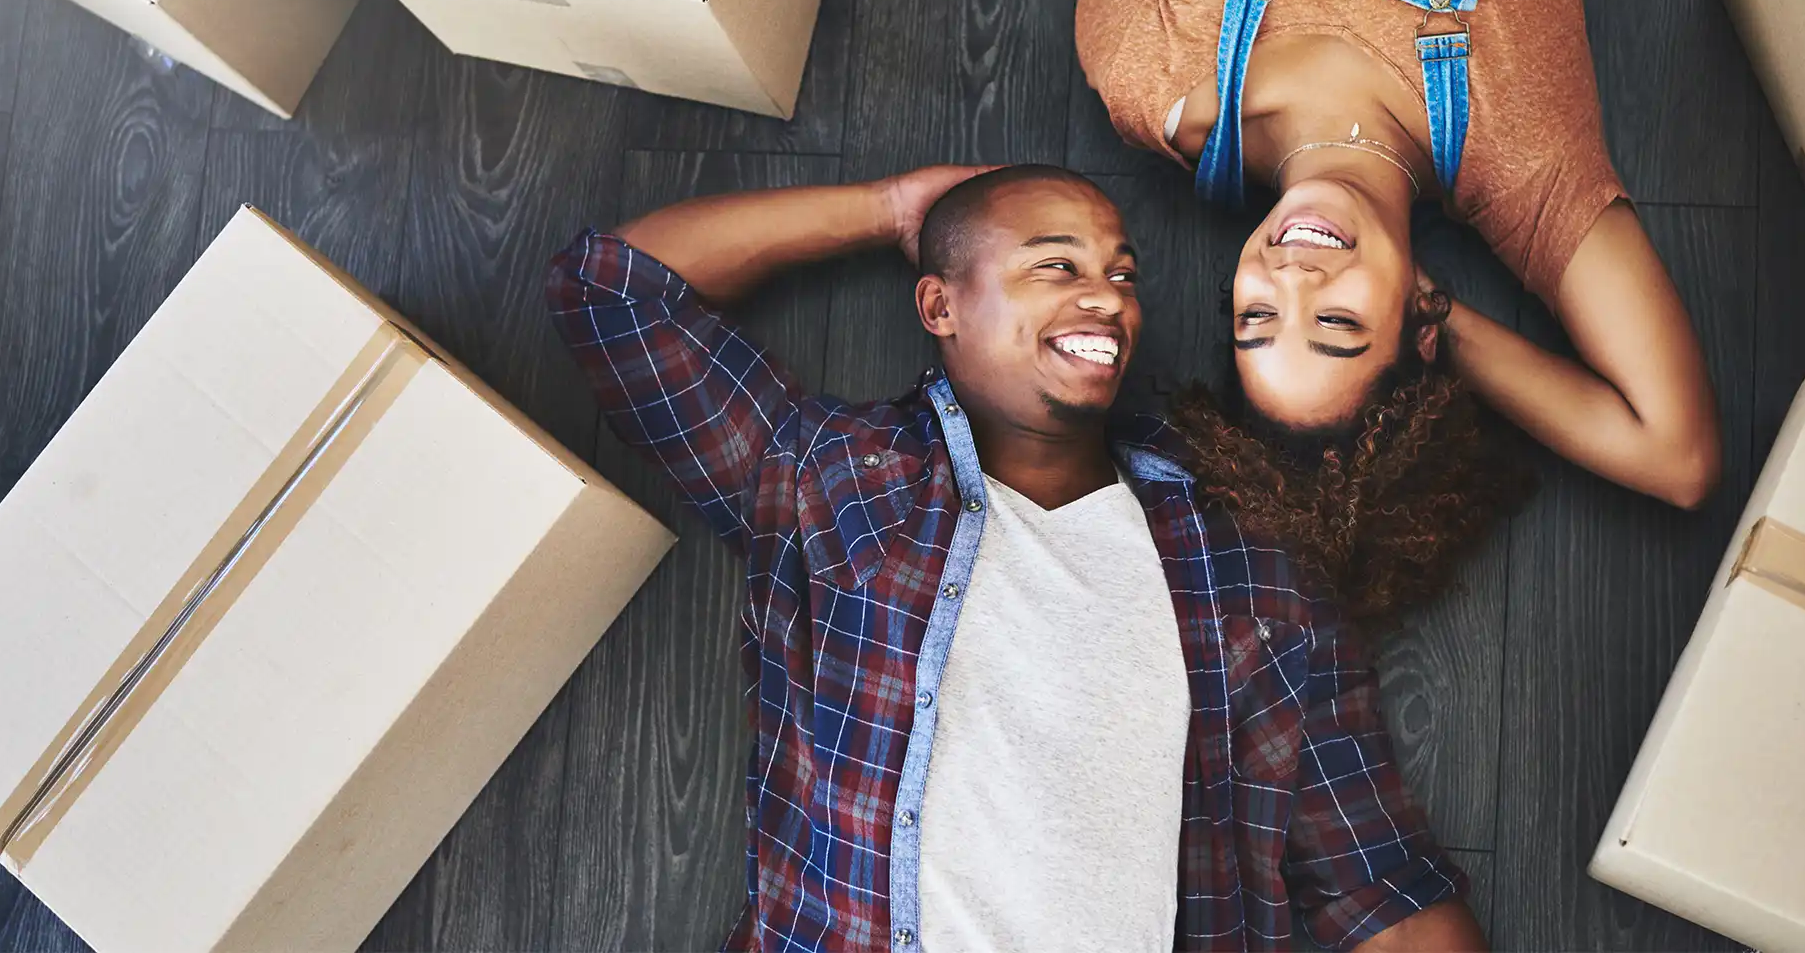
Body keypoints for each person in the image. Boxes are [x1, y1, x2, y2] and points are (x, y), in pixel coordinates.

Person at [546, 164, 1485, 950]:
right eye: (1054, 265)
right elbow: (613, 291)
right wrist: (891, 209)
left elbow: (1380, 886)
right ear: (940, 305)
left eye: (1122, 273)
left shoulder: (1246, 560)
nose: (1105, 297)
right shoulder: (831, 479)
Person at [1077, 0, 1724, 626]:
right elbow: (1677, 458)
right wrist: (1439, 312)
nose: (1294, 280)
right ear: (1420, 326)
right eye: (1336, 324)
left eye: (1259, 314)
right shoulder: (1520, 158)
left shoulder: (1150, 75)